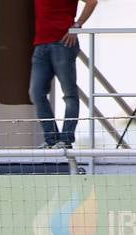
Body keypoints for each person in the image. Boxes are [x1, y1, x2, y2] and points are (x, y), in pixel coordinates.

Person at [29, 0, 99, 149]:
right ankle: (51, 139)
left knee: (69, 93)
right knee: (36, 93)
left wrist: (77, 26)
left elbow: (92, 2)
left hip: (63, 43)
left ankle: (65, 140)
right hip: (41, 44)